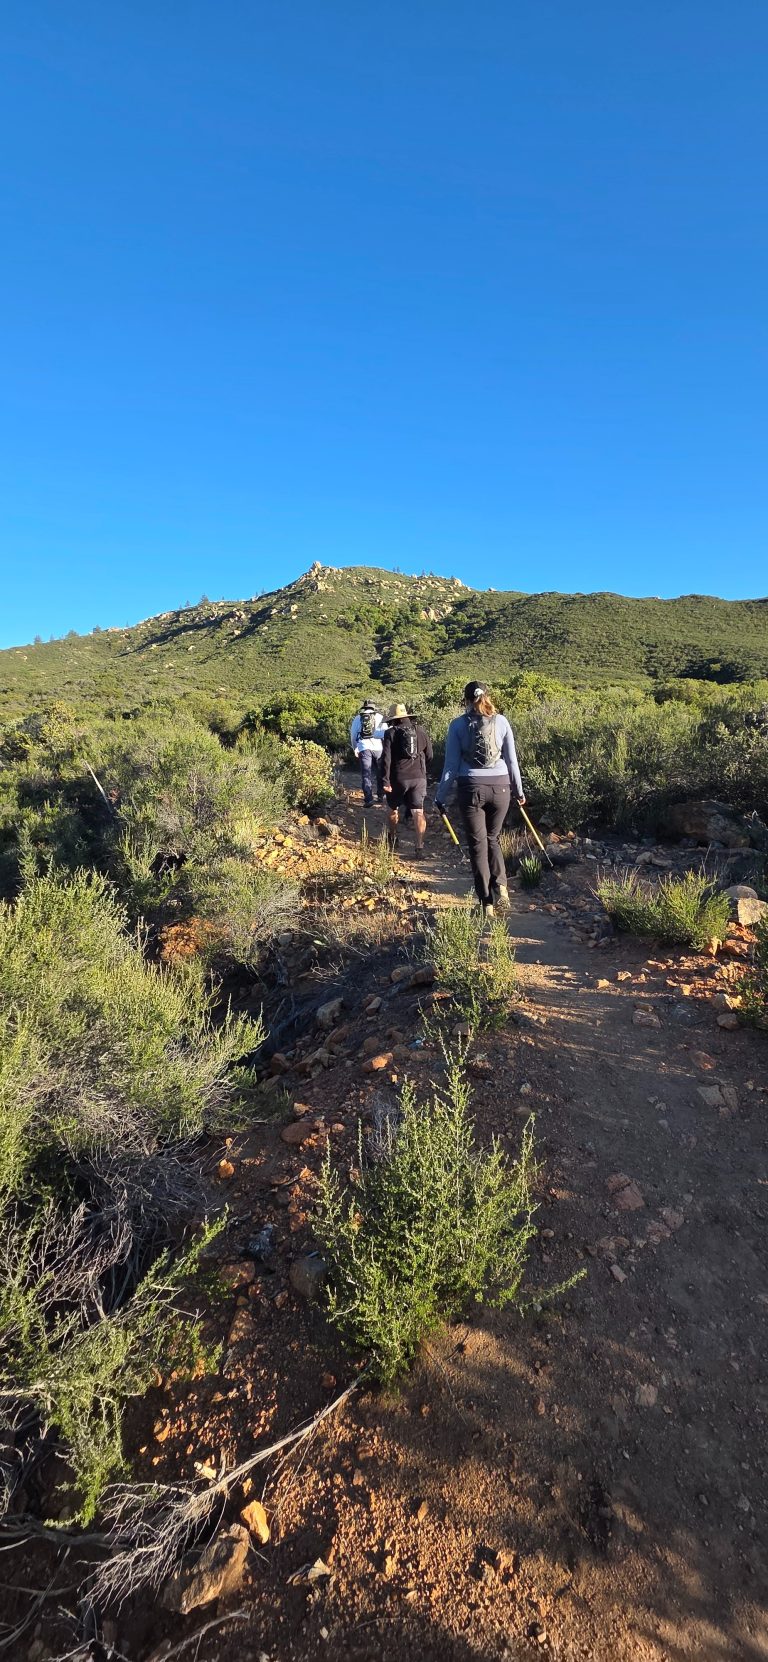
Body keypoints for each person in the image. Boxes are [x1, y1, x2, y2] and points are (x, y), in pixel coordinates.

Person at [435, 680, 525, 916]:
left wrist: (440, 797)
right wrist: (519, 791)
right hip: (501, 788)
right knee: (493, 838)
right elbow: (512, 761)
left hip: (471, 788)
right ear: (488, 696)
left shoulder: (457, 725)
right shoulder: (502, 721)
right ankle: (502, 888)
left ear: (465, 700)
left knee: (478, 845)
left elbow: (451, 767)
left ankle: (486, 903)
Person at [381, 702, 433, 859]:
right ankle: (419, 847)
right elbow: (430, 755)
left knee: (393, 808)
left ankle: (393, 838)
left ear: (394, 719)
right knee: (418, 811)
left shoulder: (390, 733)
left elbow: (386, 759)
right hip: (419, 778)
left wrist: (385, 781)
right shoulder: (420, 730)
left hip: (398, 778)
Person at [349, 698, 387, 806]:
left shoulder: (358, 718)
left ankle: (369, 798)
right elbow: (386, 734)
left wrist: (355, 748)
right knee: (380, 772)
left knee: (366, 774)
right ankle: (381, 795)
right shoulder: (380, 717)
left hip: (364, 748)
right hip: (378, 748)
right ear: (373, 707)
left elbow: (353, 735)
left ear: (364, 707)